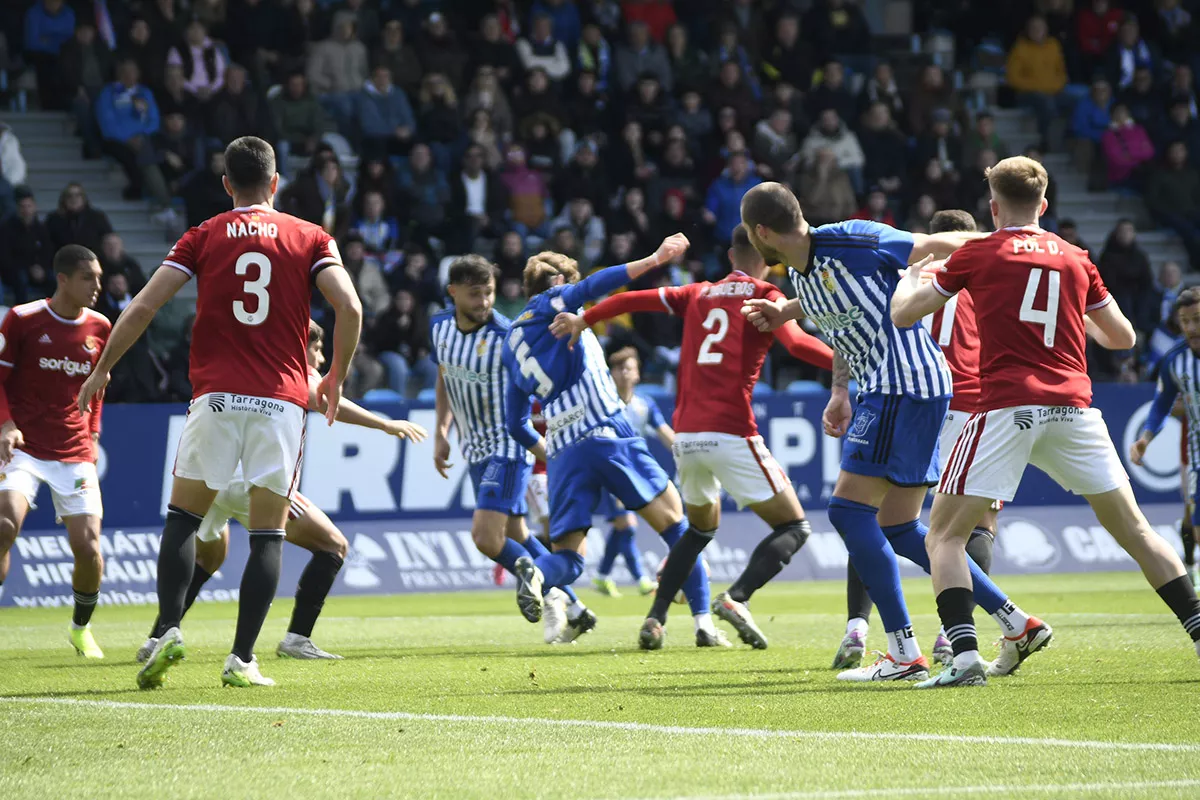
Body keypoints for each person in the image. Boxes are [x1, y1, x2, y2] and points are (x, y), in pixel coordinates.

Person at [893, 155, 1200, 686]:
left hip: (1006, 407)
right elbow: (1123, 337)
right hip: (1073, 409)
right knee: (1137, 531)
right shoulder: (1076, 258)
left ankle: (962, 659)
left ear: (993, 208)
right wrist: (1071, 318)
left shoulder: (979, 252)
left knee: (942, 535)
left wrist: (909, 279)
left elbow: (904, 315)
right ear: (1044, 203)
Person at [77, 136, 363, 690]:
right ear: (275, 183)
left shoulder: (203, 234)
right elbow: (349, 305)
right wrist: (335, 377)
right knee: (267, 536)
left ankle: (167, 630)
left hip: (215, 397)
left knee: (183, 520)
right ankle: (241, 659)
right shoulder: (310, 237)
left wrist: (102, 368)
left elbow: (144, 305)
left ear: (227, 183)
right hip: (279, 402)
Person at [738, 182, 1040, 683]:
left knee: (848, 511)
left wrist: (1016, 240)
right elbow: (832, 298)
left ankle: (903, 652)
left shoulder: (853, 237)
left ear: (761, 231)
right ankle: (1016, 621)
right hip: (914, 388)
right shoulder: (801, 267)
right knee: (898, 527)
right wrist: (785, 311)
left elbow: (935, 244)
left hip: (900, 386)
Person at [554, 224, 834, 648]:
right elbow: (796, 345)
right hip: (731, 431)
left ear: (730, 257)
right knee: (794, 527)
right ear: (768, 256)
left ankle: (655, 618)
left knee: (699, 530)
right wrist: (852, 361)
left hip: (687, 438)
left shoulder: (698, 293)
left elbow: (631, 299)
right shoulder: (766, 295)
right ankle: (737, 597)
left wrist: (584, 318)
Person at [137, 321, 427, 662]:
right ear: (298, 346)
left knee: (207, 556)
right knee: (332, 545)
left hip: (210, 476)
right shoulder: (292, 368)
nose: (320, 359)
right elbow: (322, 398)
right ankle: (294, 640)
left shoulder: (245, 360)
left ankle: (159, 637)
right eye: (316, 349)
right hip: (251, 481)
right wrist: (384, 424)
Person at [503, 235, 730, 648]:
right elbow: (596, 285)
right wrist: (655, 259)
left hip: (563, 448)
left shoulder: (509, 342)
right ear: (559, 283)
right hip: (606, 429)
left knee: (568, 557)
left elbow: (514, 423)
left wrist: (549, 453)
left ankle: (537, 572)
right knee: (680, 527)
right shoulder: (556, 301)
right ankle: (704, 624)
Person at [834, 210, 998, 670]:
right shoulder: (981, 273)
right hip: (966, 400)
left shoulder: (900, 272)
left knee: (866, 509)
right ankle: (953, 632)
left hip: (906, 395)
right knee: (977, 524)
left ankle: (857, 626)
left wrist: (839, 389)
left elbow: (849, 328)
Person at [431, 255, 595, 645]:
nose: (484, 302)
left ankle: (535, 580)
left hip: (507, 446)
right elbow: (444, 374)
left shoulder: (507, 335)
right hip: (474, 449)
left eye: (488, 293)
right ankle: (575, 608)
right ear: (453, 292)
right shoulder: (438, 327)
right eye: (475, 294)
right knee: (518, 532)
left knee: (487, 538)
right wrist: (441, 429)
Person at [0, 246, 107, 658]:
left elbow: (97, 387)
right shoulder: (23, 318)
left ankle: (81, 629)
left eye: (99, 277)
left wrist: (93, 433)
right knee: (5, 525)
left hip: (74, 449)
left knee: (89, 549)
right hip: (24, 446)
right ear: (62, 279)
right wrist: (6, 424)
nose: (97, 286)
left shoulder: (101, 326)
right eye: (87, 278)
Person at [590, 347, 673, 598]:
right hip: (610, 471)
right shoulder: (604, 404)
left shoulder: (644, 405)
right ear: (611, 374)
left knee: (623, 527)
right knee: (627, 524)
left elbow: (665, 433)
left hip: (636, 473)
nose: (624, 373)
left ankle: (602, 575)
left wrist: (687, 452)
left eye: (629, 368)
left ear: (637, 374)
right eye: (619, 369)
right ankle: (642, 580)